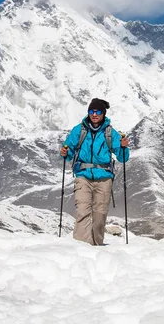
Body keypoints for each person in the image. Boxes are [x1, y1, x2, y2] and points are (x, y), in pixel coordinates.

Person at [60, 98, 130, 245]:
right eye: (92, 111)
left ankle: (97, 246)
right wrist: (65, 152)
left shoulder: (111, 133)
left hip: (104, 178)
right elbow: (69, 150)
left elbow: (123, 157)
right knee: (82, 212)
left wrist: (124, 147)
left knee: (99, 215)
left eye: (98, 111)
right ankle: (81, 247)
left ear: (103, 113)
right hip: (83, 176)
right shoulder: (79, 130)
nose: (94, 114)